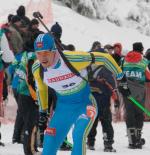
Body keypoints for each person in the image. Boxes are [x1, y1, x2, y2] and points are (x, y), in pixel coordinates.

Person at [32, 33, 125, 155]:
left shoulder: (72, 59)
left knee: (78, 134)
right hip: (63, 109)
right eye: (38, 53)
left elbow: (104, 58)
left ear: (54, 50)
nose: (42, 57)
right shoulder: (37, 68)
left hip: (85, 105)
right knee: (49, 140)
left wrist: (121, 77)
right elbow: (42, 89)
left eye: (46, 52)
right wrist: (43, 111)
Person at [120, 42, 150, 149]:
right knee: (139, 114)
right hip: (139, 92)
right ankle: (137, 139)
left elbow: (119, 74)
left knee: (130, 114)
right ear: (141, 49)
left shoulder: (123, 60)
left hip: (126, 91)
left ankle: (131, 140)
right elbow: (148, 76)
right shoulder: (144, 61)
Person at [87, 65, 118, 152]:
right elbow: (113, 87)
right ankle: (108, 144)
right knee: (106, 123)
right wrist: (116, 99)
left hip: (90, 101)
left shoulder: (86, 68)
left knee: (91, 123)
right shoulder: (106, 70)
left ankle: (90, 142)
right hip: (103, 100)